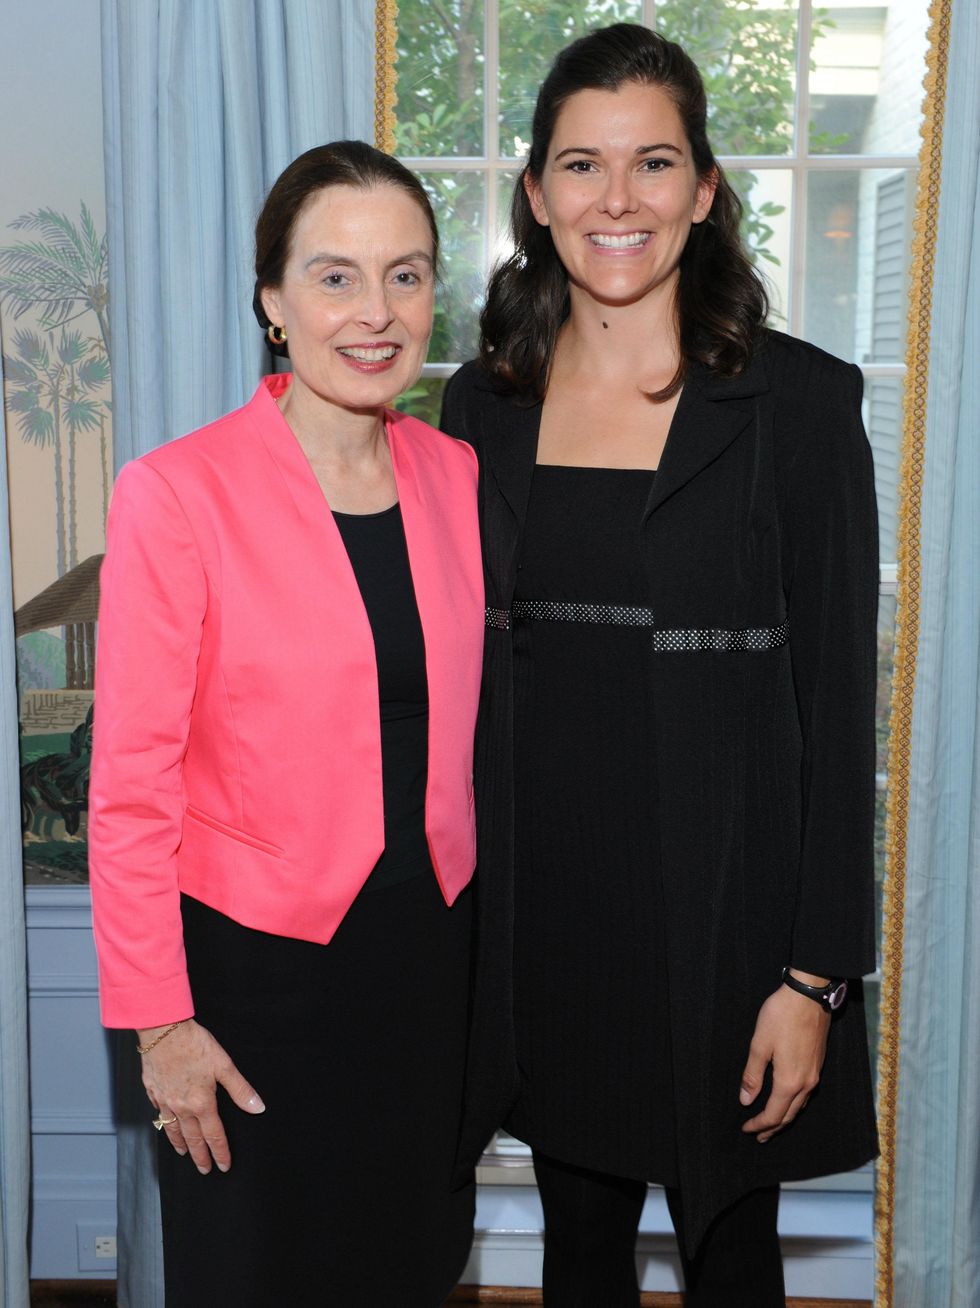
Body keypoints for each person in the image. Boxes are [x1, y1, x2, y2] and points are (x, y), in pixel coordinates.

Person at [440, 24, 878, 1308]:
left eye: (651, 164)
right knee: (577, 1259)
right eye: (580, 165)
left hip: (728, 934)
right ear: (534, 195)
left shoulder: (798, 406)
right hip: (544, 929)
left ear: (701, 190)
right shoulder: (481, 405)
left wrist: (813, 977)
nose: (614, 200)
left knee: (729, 1262)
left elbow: (836, 713)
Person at [89, 141, 484, 1308]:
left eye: (405, 276)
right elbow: (130, 786)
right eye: (334, 277)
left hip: (427, 974)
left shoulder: (457, 473)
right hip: (251, 985)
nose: (375, 313)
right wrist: (162, 1028)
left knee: (408, 1269)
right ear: (271, 302)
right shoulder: (177, 492)